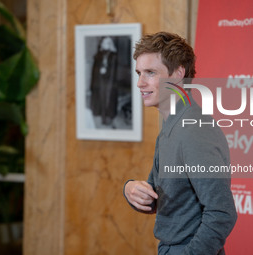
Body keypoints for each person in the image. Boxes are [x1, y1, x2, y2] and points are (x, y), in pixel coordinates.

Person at [123, 32, 237, 255]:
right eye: (139, 73)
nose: (139, 83)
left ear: (177, 74)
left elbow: (222, 212)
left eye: (150, 73)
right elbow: (160, 199)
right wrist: (130, 189)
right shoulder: (171, 125)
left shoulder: (193, 130)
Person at [90, 36, 118, 126]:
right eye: (104, 42)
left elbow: (113, 72)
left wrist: (106, 73)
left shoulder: (114, 55)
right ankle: (101, 115)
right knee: (100, 97)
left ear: (110, 44)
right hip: (100, 80)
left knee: (108, 98)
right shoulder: (99, 54)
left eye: (107, 43)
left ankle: (108, 117)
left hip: (109, 81)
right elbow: (95, 70)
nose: (105, 44)